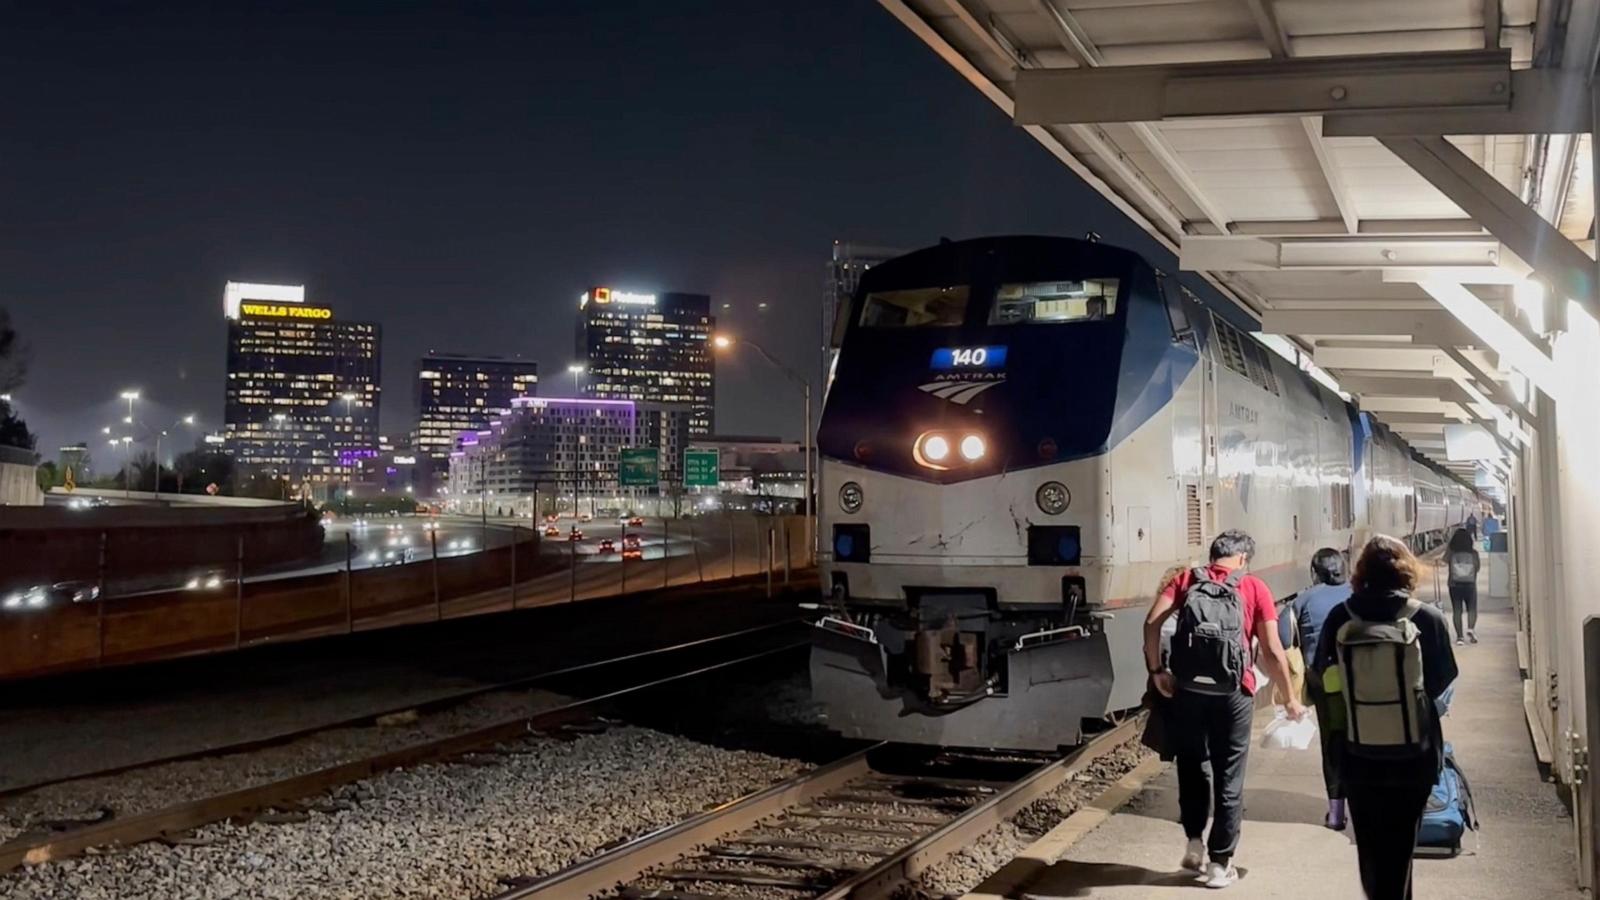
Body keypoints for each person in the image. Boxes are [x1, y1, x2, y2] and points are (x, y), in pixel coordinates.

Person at [1144, 530, 1304, 890]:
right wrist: (1290, 696)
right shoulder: (1254, 587)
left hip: (1186, 689)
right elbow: (1273, 650)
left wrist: (1157, 671)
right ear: (1244, 558)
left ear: (1213, 554)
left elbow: (1152, 622)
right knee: (1229, 775)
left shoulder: (1186, 580)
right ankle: (1220, 864)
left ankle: (1193, 844)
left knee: (1192, 764)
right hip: (1234, 692)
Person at [1315, 535, 1457, 900]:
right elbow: (1443, 679)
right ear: (1407, 571)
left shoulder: (1339, 617)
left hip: (1358, 752)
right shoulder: (1427, 617)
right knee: (1401, 846)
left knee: (1370, 847)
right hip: (1414, 753)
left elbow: (1322, 678)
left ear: (1360, 573)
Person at [1278, 547, 1354, 830]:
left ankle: (1336, 814)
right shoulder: (1357, 594)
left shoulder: (1304, 599)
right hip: (1362, 681)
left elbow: (1284, 637)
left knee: (1332, 744)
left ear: (1315, 572)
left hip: (1325, 682)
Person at [1444, 528, 1481, 645]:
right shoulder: (1474, 553)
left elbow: (1444, 560)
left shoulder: (1451, 553)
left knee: (1457, 610)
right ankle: (1471, 629)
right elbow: (1477, 568)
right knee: (1472, 608)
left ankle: (1460, 637)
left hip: (1454, 584)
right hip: (1470, 584)